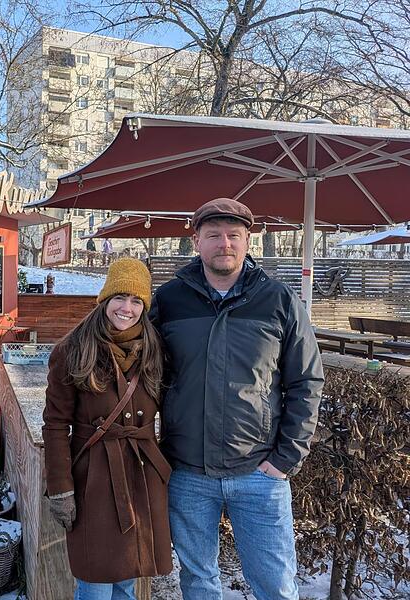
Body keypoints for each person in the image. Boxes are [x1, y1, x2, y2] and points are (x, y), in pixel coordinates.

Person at [149, 198, 324, 600]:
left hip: (259, 473)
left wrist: (284, 458)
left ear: (248, 241)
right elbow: (144, 371)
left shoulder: (279, 301)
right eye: (213, 235)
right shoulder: (171, 300)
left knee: (276, 586)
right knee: (198, 582)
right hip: (188, 472)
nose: (223, 244)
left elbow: (306, 382)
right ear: (196, 241)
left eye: (233, 235)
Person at [43, 257, 172, 600]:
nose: (126, 309)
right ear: (105, 299)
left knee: (127, 581)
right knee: (96, 582)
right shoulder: (72, 350)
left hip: (141, 477)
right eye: (119, 297)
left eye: (136, 301)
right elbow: (55, 425)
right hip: (94, 480)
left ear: (144, 307)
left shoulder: (156, 349)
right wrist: (60, 489)